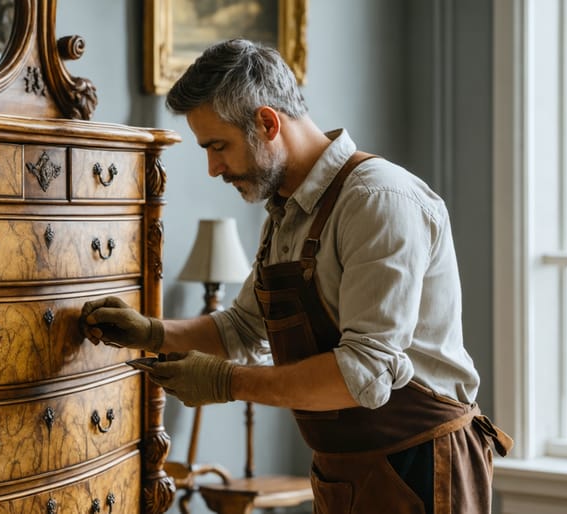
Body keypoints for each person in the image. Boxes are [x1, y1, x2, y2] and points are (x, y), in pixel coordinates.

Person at [81, 38, 512, 514]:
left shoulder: (378, 200)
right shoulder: (287, 211)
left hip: (420, 465)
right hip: (343, 466)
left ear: (267, 123)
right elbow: (244, 329)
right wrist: (154, 332)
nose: (212, 168)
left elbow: (363, 374)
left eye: (218, 146)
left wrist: (228, 383)